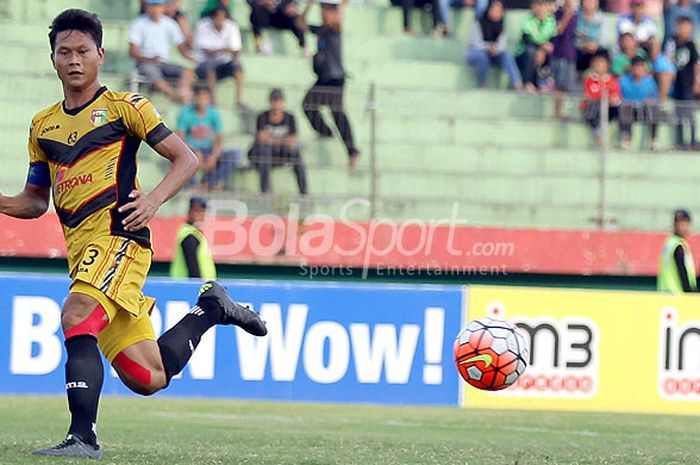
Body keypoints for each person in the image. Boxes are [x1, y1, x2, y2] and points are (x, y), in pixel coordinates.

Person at [1, 9, 266, 458]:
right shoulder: (41, 126)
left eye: (83, 51)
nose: (74, 60)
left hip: (120, 237)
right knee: (149, 376)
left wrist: (154, 199)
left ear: (100, 55)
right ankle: (211, 309)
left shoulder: (128, 108)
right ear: (52, 58)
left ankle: (82, 437)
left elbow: (186, 158)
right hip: (83, 253)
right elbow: (34, 201)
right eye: (64, 52)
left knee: (76, 314)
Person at [301, 0, 360, 169]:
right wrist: (309, 5)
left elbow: (339, 19)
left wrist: (341, 5)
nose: (324, 14)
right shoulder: (321, 30)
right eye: (323, 11)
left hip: (335, 79)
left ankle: (352, 151)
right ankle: (325, 132)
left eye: (327, 11)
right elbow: (301, 23)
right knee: (307, 105)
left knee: (337, 113)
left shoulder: (334, 30)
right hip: (323, 78)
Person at [128, 0, 195, 103]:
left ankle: (183, 93)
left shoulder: (169, 24)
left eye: (158, 6)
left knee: (188, 71)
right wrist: (150, 58)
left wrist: (192, 58)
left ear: (163, 7)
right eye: (153, 6)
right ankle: (176, 97)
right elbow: (132, 53)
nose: (155, 9)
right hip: (145, 63)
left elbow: (181, 48)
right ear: (147, 8)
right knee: (154, 76)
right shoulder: (139, 24)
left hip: (163, 63)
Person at [176, 85, 241, 190]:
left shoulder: (213, 113)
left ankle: (209, 183)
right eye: (199, 97)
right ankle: (194, 185)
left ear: (209, 99)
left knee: (235, 155)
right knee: (180, 156)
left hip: (209, 150)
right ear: (194, 98)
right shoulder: (185, 113)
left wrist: (214, 156)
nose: (202, 101)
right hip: (190, 149)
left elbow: (219, 138)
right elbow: (180, 137)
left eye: (204, 98)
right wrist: (192, 151)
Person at [249, 88, 308, 195]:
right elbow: (261, 138)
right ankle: (266, 189)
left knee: (296, 154)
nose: (276, 104)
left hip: (280, 153)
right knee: (264, 150)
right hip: (261, 155)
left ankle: (304, 190)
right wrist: (283, 141)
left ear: (283, 102)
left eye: (279, 100)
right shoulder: (262, 117)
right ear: (270, 101)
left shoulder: (290, 117)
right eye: (274, 100)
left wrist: (272, 140)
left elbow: (293, 140)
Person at [193, 5, 247, 108]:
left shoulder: (232, 26)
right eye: (217, 17)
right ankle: (212, 100)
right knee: (211, 67)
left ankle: (239, 100)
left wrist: (229, 52)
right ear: (213, 17)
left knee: (238, 67)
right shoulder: (203, 25)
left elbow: (236, 50)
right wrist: (225, 49)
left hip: (223, 63)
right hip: (204, 64)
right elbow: (207, 51)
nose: (220, 20)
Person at [466, 0, 523, 89]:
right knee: (482, 56)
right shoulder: (479, 22)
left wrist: (495, 49)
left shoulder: (501, 25)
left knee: (507, 55)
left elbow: (502, 45)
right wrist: (488, 47)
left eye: (498, 11)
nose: (495, 13)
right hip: (477, 52)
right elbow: (475, 43)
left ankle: (517, 83)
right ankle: (483, 83)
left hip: (494, 53)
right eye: (494, 10)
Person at [666, 16, 699, 149]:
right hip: (677, 84)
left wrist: (697, 82)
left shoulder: (691, 45)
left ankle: (692, 140)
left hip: (688, 84)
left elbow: (696, 64)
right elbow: (668, 59)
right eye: (681, 27)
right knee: (678, 113)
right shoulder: (672, 43)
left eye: (687, 28)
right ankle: (680, 141)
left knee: (689, 113)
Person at [618, 56, 660, 150]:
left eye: (640, 67)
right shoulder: (623, 82)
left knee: (654, 109)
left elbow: (655, 98)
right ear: (631, 68)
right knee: (625, 108)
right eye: (635, 67)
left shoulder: (650, 82)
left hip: (644, 110)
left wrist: (650, 101)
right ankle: (626, 139)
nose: (637, 69)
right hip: (630, 110)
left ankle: (653, 140)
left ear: (644, 68)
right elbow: (619, 98)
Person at [515, 0, 558, 92]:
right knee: (531, 52)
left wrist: (543, 50)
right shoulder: (528, 21)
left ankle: (546, 82)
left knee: (554, 52)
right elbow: (527, 40)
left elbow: (553, 39)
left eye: (544, 5)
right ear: (533, 7)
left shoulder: (551, 21)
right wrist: (541, 48)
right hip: (523, 53)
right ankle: (528, 82)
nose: (541, 9)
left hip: (544, 51)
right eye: (538, 5)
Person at [170, 197, 217, 279]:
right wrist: (197, 286)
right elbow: (193, 268)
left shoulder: (193, 233)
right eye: (198, 211)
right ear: (190, 212)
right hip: (190, 287)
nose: (202, 215)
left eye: (203, 211)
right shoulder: (189, 236)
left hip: (193, 286)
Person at [582, 51, 621, 146]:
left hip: (608, 108)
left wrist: (608, 99)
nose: (598, 65)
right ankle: (599, 134)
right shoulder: (589, 80)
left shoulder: (611, 80)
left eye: (601, 62)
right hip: (593, 109)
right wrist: (601, 98)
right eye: (596, 62)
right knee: (595, 105)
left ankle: (623, 137)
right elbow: (588, 96)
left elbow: (616, 96)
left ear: (607, 65)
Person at [658, 209, 697, 293]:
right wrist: (690, 293)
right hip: (677, 295)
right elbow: (682, 271)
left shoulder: (669, 243)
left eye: (686, 224)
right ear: (675, 225)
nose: (684, 228)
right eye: (682, 224)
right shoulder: (678, 246)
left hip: (665, 292)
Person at [551, 0, 578, 118]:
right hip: (559, 55)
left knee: (568, 85)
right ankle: (557, 112)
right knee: (560, 85)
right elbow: (559, 30)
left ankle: (564, 112)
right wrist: (567, 14)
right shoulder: (557, 13)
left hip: (570, 54)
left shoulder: (576, 15)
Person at [575, 0, 608, 73]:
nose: (589, 4)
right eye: (586, 1)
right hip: (580, 49)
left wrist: (596, 45)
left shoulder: (602, 18)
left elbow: (604, 40)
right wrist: (582, 45)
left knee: (603, 53)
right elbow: (573, 38)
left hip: (596, 49)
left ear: (597, 3)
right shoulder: (576, 17)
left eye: (592, 2)